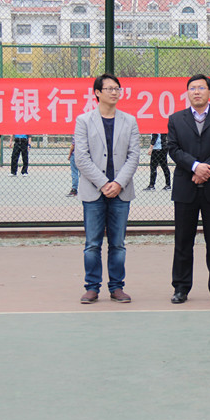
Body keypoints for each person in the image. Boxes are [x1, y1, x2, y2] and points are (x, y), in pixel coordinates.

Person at [167, 74, 210, 304]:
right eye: (193, 88)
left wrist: (207, 169)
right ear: (187, 92)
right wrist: (195, 166)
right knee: (183, 241)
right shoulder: (176, 119)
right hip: (185, 187)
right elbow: (173, 149)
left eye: (201, 88)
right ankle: (181, 288)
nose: (197, 92)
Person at [74, 73, 140, 305]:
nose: (114, 92)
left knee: (118, 244)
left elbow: (134, 156)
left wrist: (118, 183)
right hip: (94, 191)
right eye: (109, 88)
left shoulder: (129, 121)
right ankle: (92, 288)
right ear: (97, 93)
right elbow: (81, 158)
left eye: (117, 89)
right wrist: (103, 183)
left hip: (121, 191)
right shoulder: (84, 121)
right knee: (92, 243)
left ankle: (116, 287)